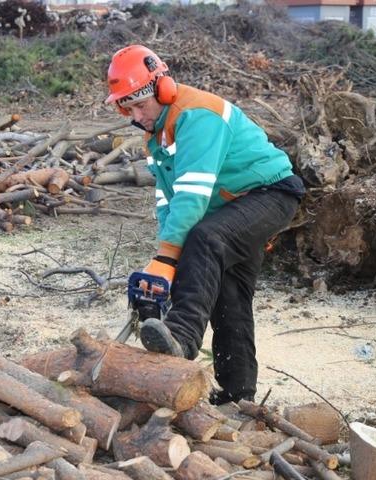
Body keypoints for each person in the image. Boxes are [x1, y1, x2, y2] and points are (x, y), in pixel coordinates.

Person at [105, 45, 306, 405]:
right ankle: (237, 394)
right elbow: (168, 201)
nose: (137, 115)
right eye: (128, 108)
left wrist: (169, 260)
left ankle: (181, 336)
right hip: (232, 207)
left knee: (205, 239)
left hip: (270, 193)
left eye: (140, 104)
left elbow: (193, 195)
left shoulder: (198, 115)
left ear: (162, 88)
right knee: (230, 298)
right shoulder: (156, 137)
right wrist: (163, 261)